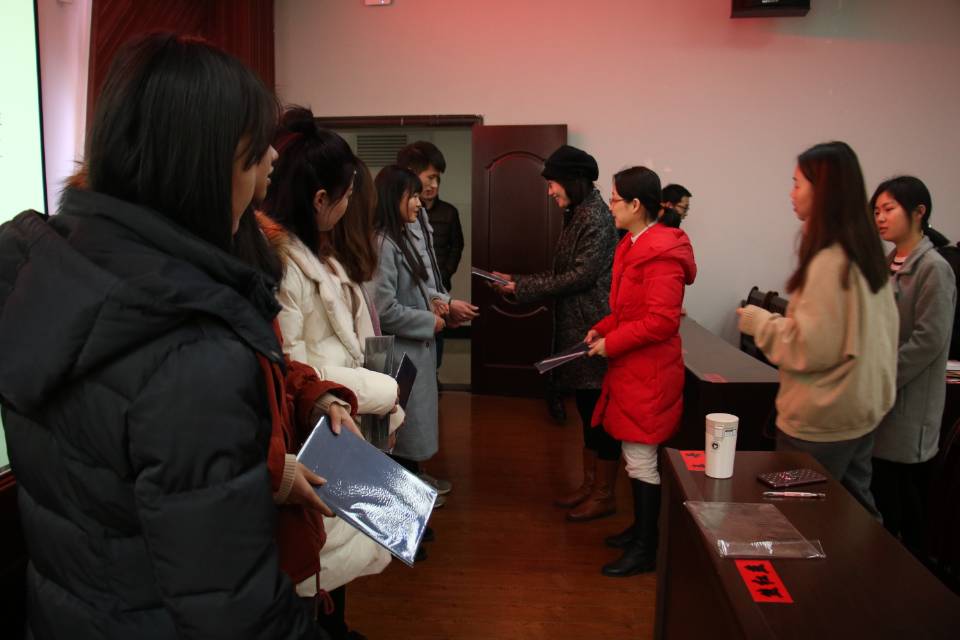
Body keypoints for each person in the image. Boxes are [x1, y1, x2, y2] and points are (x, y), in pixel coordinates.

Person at [0, 33, 321, 638]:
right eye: (255, 150)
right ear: (206, 161)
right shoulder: (189, 350)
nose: (269, 166)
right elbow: (234, 612)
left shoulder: (51, 275)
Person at [260, 109, 401, 638]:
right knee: (313, 563)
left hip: (339, 420)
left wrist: (378, 401)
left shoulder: (325, 260)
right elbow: (291, 365)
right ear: (321, 200)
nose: (348, 208)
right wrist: (379, 390)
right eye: (345, 197)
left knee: (338, 563)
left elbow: (349, 349)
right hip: (312, 434)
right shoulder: (282, 266)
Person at [738, 141, 898, 516]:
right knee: (853, 513)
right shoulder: (864, 251)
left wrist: (760, 322)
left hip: (823, 415)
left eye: (797, 183)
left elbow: (811, 348)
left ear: (822, 190)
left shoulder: (831, 260)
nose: (791, 193)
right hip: (859, 407)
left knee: (801, 517)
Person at [492, 145, 620, 522]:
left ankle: (603, 494)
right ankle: (590, 485)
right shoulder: (578, 212)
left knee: (596, 413)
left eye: (553, 183)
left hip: (591, 328)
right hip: (578, 325)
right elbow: (565, 273)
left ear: (574, 181)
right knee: (587, 411)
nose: (549, 191)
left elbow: (579, 276)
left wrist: (523, 287)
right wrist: (518, 282)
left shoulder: (595, 217)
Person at [587, 167, 696, 577]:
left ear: (636, 205)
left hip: (649, 371)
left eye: (615, 199)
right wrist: (603, 327)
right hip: (633, 367)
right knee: (635, 456)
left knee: (641, 458)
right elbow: (627, 311)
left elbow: (662, 321)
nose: (610, 206)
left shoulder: (661, 252)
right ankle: (640, 531)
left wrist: (612, 343)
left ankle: (646, 548)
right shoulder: (632, 243)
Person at [869, 176, 956, 553]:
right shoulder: (888, 263)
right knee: (881, 498)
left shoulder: (934, 268)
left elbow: (929, 340)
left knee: (902, 504)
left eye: (888, 209)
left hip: (908, 403)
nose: (880, 218)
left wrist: (881, 379)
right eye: (876, 211)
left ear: (919, 212)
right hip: (880, 400)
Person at [396, 142, 478, 496]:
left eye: (436, 180)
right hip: (406, 335)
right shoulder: (387, 234)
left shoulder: (425, 216)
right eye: (428, 178)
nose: (432, 187)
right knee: (404, 413)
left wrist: (443, 300)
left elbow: (430, 270)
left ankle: (416, 475)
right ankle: (406, 485)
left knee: (421, 406)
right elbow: (388, 305)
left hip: (428, 317)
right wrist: (435, 314)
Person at [367, 166, 445, 497]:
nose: (418, 202)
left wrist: (437, 304)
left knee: (407, 434)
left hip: (410, 355)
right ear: (392, 198)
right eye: (411, 195)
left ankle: (413, 494)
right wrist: (429, 321)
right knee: (397, 437)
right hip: (397, 356)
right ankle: (406, 503)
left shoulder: (399, 236)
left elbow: (415, 289)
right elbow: (383, 310)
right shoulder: (383, 243)